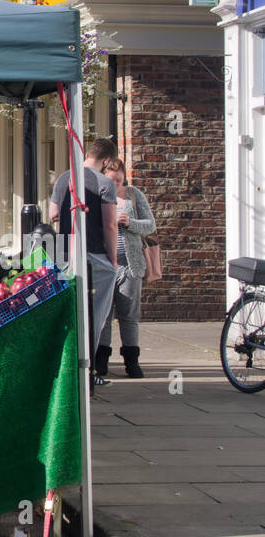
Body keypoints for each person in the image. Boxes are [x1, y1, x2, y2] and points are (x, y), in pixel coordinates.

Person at [49, 137, 118, 373]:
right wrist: (113, 261)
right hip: (96, 256)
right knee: (95, 317)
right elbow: (110, 225)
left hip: (66, 256)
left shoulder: (63, 178)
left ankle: (65, 368)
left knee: (69, 313)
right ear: (106, 160)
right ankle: (86, 371)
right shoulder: (105, 183)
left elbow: (53, 213)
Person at [96, 157, 156, 380]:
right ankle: (101, 362)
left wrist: (130, 223)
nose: (116, 183)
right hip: (106, 265)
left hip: (130, 265)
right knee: (103, 315)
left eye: (119, 178)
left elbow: (150, 225)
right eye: (111, 179)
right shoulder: (98, 197)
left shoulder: (133, 195)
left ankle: (132, 362)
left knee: (129, 315)